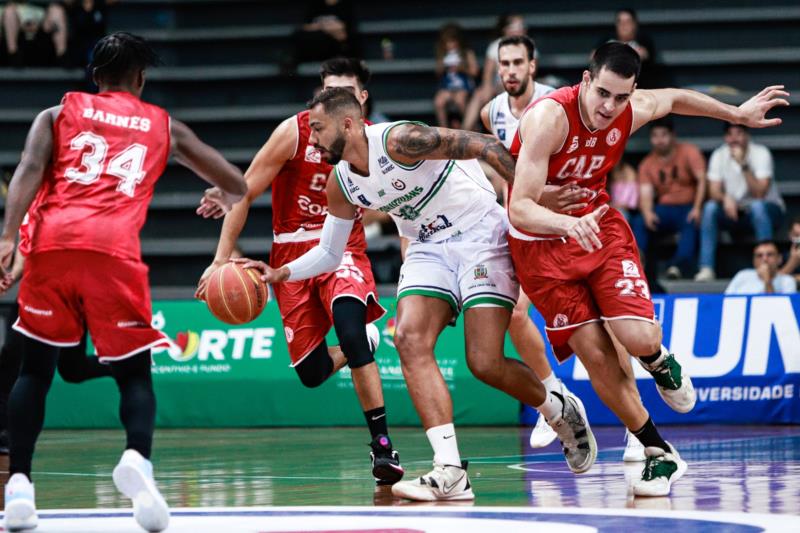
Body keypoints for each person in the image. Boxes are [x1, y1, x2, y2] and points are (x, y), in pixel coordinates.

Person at [237, 87, 597, 502]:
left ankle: (557, 408)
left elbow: (484, 144)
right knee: (407, 338)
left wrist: (534, 192)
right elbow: (330, 253)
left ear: (348, 124)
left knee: (483, 362)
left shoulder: (401, 140)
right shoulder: (341, 183)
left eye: (318, 128)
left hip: (479, 232)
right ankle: (450, 469)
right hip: (428, 246)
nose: (312, 139)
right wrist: (280, 272)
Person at [508, 41, 787, 496]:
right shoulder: (548, 118)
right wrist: (564, 223)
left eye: (621, 97)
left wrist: (736, 115)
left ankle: (657, 360)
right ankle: (658, 450)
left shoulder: (626, 110)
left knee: (638, 338)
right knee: (596, 355)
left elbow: (675, 97)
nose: (609, 107)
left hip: (597, 226)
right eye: (602, 93)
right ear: (585, 80)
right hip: (541, 247)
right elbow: (518, 208)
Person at [0, 32, 248, 532]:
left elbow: (27, 170)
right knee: (135, 373)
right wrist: (223, 196)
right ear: (141, 78)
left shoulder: (57, 113)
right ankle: (136, 457)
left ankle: (20, 486)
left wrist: (7, 238)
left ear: (95, 77)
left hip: (52, 243)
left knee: (35, 371)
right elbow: (236, 181)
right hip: (113, 250)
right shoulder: (165, 126)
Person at [195, 57, 404, 486]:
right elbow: (243, 192)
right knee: (311, 373)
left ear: (360, 100)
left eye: (339, 94)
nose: (327, 102)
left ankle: (382, 445)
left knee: (347, 328)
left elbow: (405, 204)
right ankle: (364, 338)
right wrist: (220, 259)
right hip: (291, 255)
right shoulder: (294, 132)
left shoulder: (383, 141)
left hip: (343, 246)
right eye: (322, 93)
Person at [479, 34, 582, 450]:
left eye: (518, 63)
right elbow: (502, 167)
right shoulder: (492, 112)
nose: (510, 71)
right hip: (519, 225)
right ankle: (553, 396)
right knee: (515, 315)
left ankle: (635, 428)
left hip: (562, 223)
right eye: (504, 64)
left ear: (533, 66)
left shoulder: (554, 104)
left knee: (603, 325)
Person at [695, 123, 785, 280]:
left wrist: (743, 165)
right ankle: (706, 268)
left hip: (768, 210)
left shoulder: (760, 153)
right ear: (725, 137)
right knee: (710, 208)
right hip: (733, 212)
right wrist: (726, 198)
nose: (734, 138)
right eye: (730, 134)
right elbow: (713, 191)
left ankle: (767, 266)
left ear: (747, 135)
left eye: (739, 133)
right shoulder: (719, 154)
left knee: (757, 207)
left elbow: (759, 193)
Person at [632, 118, 707, 279]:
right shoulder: (647, 164)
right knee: (639, 221)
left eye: (664, 135)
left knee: (691, 221)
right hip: (664, 209)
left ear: (673, 135)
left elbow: (702, 180)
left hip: (688, 206)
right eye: (655, 136)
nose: (659, 140)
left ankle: (677, 266)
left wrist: (698, 208)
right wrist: (647, 213)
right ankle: (637, 264)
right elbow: (645, 193)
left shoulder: (689, 152)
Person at [462, 13, 526, 131]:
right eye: (515, 26)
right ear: (505, 30)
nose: (519, 29)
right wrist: (487, 87)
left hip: (520, 85)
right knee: (479, 94)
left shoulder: (528, 45)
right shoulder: (495, 46)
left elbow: (530, 72)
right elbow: (487, 73)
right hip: (498, 84)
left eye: (521, 26)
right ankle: (466, 130)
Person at [433, 23, 478, 128]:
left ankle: (470, 127)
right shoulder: (443, 55)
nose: (450, 45)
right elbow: (438, 73)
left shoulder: (467, 53)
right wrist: (443, 66)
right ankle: (443, 129)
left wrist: (461, 68)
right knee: (438, 101)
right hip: (448, 87)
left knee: (460, 101)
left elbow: (475, 71)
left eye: (452, 41)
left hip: (463, 86)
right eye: (447, 42)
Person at [1, 1, 67, 67]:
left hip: (41, 25)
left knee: (57, 11)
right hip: (11, 24)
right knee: (9, 12)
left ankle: (62, 56)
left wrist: (40, 25)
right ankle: (13, 54)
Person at [725, 240, 797, 294]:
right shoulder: (742, 275)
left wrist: (767, 282)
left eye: (770, 254)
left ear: (779, 259)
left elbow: (778, 310)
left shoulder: (787, 281)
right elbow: (725, 302)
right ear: (754, 261)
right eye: (759, 256)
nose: (764, 259)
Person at [779, 217, 800, 284]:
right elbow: (774, 280)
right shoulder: (780, 255)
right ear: (790, 235)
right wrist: (792, 262)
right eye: (796, 235)